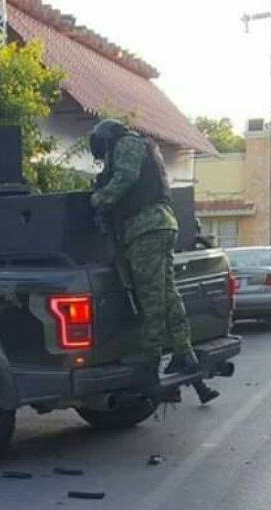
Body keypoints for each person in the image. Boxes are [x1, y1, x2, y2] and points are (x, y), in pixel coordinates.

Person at [89, 119, 199, 389]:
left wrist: (98, 199)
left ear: (106, 140)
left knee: (150, 296)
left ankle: (150, 360)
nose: (104, 158)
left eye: (103, 153)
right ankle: (185, 353)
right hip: (164, 223)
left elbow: (125, 177)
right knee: (167, 293)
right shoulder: (146, 146)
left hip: (145, 228)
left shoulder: (127, 143)